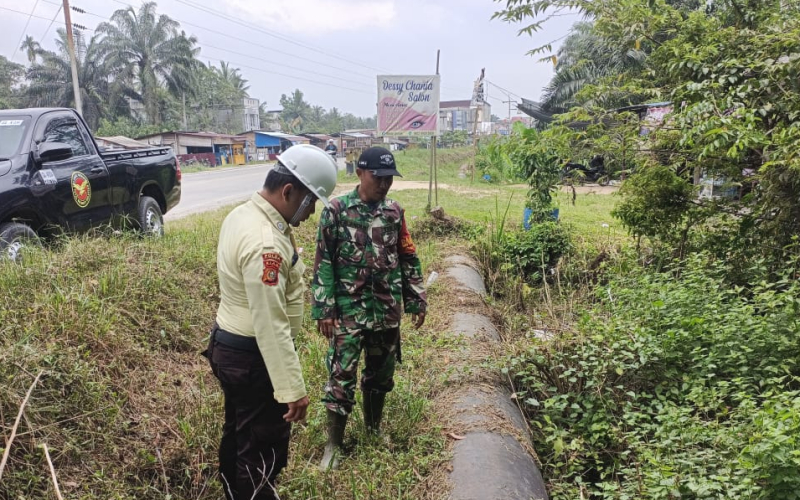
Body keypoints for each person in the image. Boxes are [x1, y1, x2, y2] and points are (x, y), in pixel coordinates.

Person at [204, 144, 338, 500]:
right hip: (254, 359)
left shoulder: (243, 215)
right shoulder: (266, 244)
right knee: (262, 445)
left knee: (239, 432)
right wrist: (292, 389)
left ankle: (234, 492)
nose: (311, 213)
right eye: (310, 203)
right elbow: (270, 323)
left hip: (230, 348)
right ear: (288, 191)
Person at [311, 146, 427, 470]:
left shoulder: (394, 212)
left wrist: (416, 298)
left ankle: (373, 429)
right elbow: (323, 262)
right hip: (348, 312)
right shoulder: (336, 211)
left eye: (389, 178)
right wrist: (324, 308)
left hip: (386, 310)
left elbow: (407, 256)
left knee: (381, 375)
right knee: (342, 375)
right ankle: (333, 445)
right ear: (360, 173)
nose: (384, 184)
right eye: (378, 177)